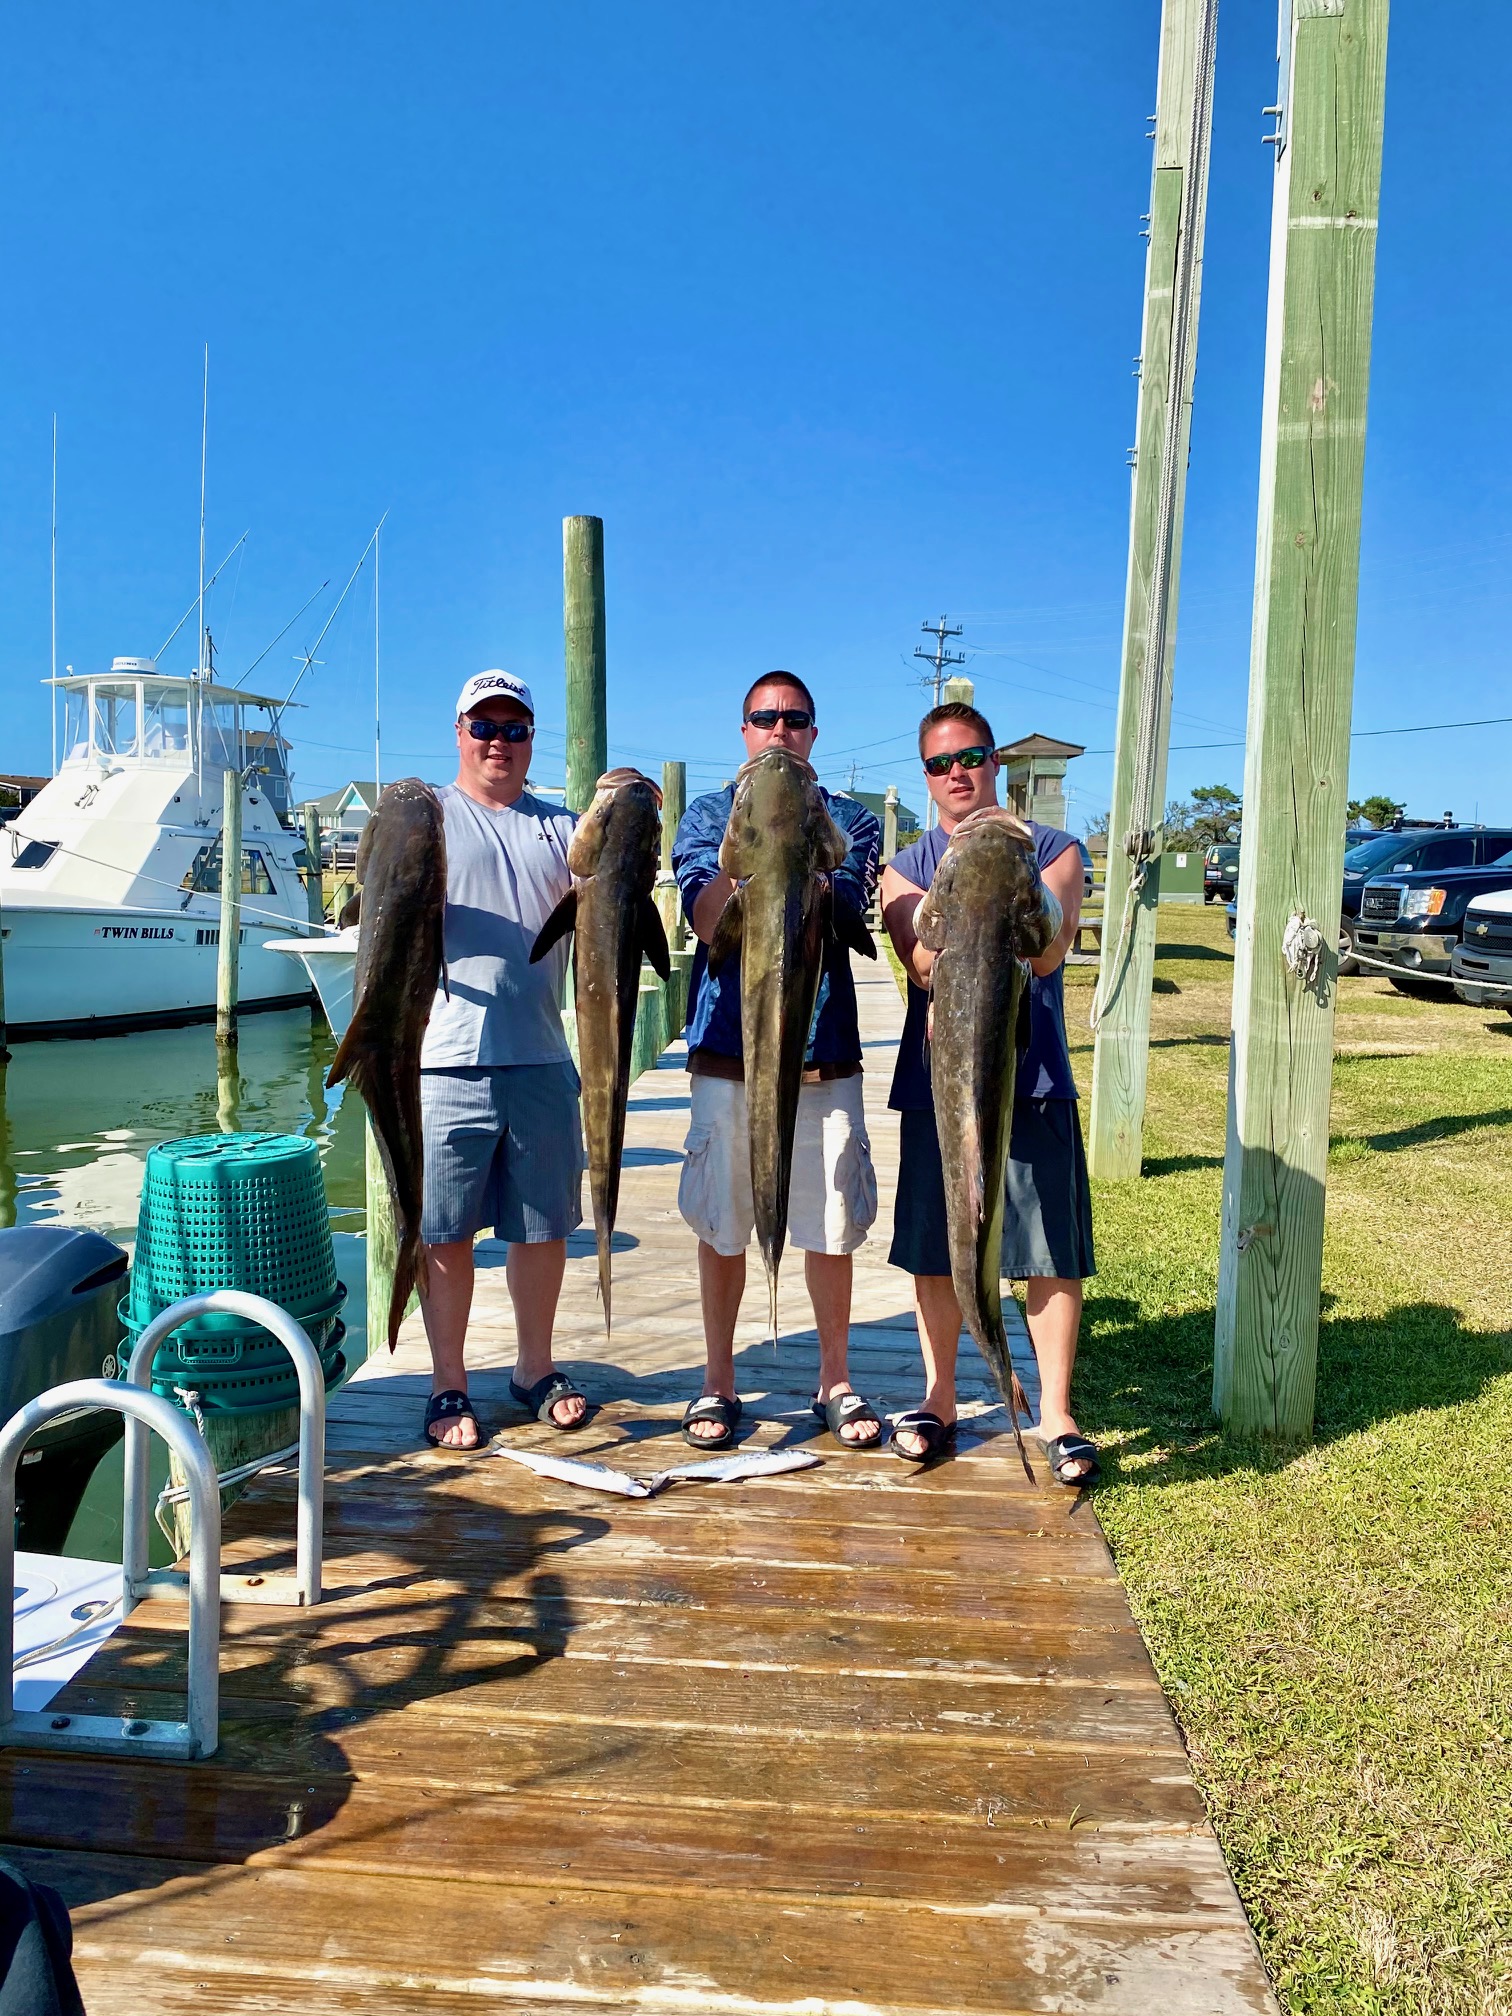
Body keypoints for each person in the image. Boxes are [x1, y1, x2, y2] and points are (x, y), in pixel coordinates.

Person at [880, 701, 1100, 1484]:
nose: (956, 774)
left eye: (969, 757)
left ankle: (1056, 1410)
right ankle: (940, 1397)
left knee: (1047, 1248)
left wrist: (1008, 869)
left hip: (1031, 1077)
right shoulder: (906, 861)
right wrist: (959, 893)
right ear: (926, 776)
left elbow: (1045, 953)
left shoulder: (1054, 849)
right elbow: (922, 960)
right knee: (937, 1248)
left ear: (995, 762)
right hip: (937, 1082)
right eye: (939, 764)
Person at [672, 672, 883, 1449]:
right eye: (765, 718)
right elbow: (705, 916)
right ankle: (718, 1381)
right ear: (744, 732)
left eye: (795, 719)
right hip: (729, 1051)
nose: (780, 730)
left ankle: (836, 1379)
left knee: (830, 1217)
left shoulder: (851, 818)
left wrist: (804, 831)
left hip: (823, 1052)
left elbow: (846, 908)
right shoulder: (703, 814)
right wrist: (748, 836)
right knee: (723, 1216)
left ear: (814, 735)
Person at [416, 669, 589, 1450]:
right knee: (446, 1231)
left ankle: (532, 1367)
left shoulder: (561, 827)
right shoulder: (430, 819)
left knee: (541, 1226)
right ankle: (448, 1381)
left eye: (514, 729)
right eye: (484, 727)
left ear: (531, 740)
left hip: (543, 1056)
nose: (498, 742)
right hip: (445, 1062)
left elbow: (605, 875)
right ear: (459, 733)